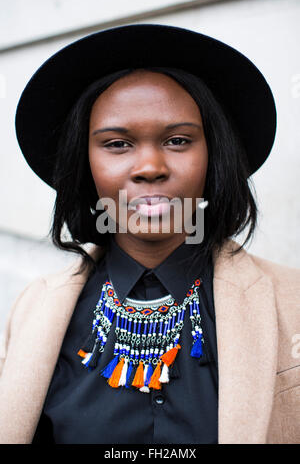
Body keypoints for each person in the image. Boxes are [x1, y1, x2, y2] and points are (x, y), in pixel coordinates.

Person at [0, 24, 299, 445]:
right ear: (83, 162)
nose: (150, 166)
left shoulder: (293, 300)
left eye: (178, 140)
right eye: (118, 144)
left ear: (214, 156)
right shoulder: (34, 309)